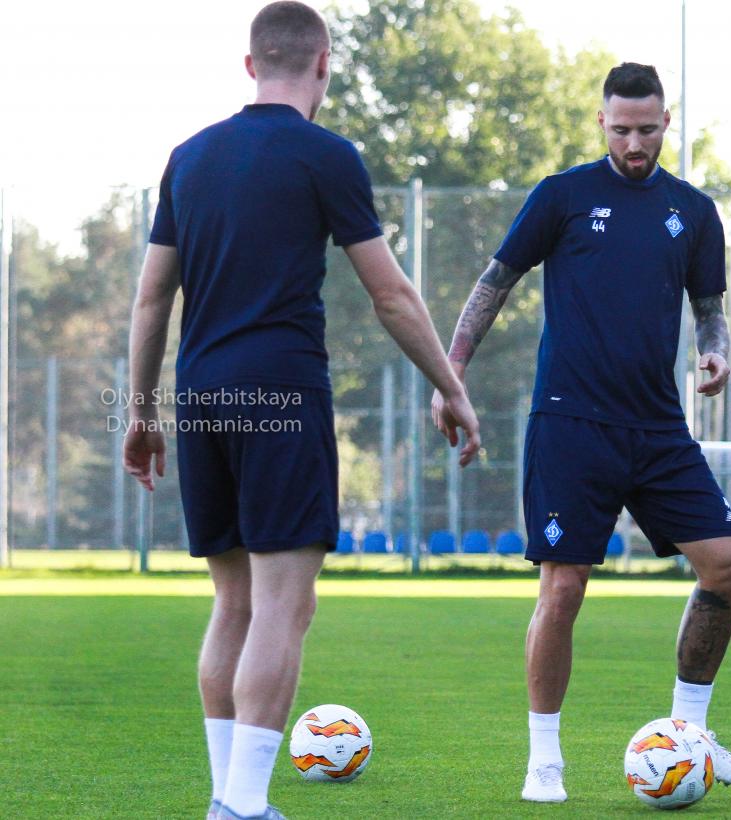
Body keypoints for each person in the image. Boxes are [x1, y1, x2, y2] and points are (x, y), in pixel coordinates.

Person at [123, 4, 480, 818]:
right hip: (282, 392)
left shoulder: (188, 157)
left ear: (252, 65)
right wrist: (451, 388)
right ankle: (244, 804)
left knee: (235, 602)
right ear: (323, 65)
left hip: (201, 393)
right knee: (284, 604)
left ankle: (227, 798)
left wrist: (142, 413)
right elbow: (390, 294)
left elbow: (151, 299)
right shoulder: (327, 156)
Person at [432, 62, 731, 803]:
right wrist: (452, 371)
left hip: (658, 427)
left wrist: (717, 351)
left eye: (646, 129)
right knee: (564, 586)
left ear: (666, 122)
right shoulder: (563, 195)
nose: (634, 144)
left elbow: (709, 309)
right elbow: (495, 282)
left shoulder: (694, 211)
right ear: (601, 123)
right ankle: (544, 759)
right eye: (620, 130)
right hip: (571, 423)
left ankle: (690, 735)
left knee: (728, 567)